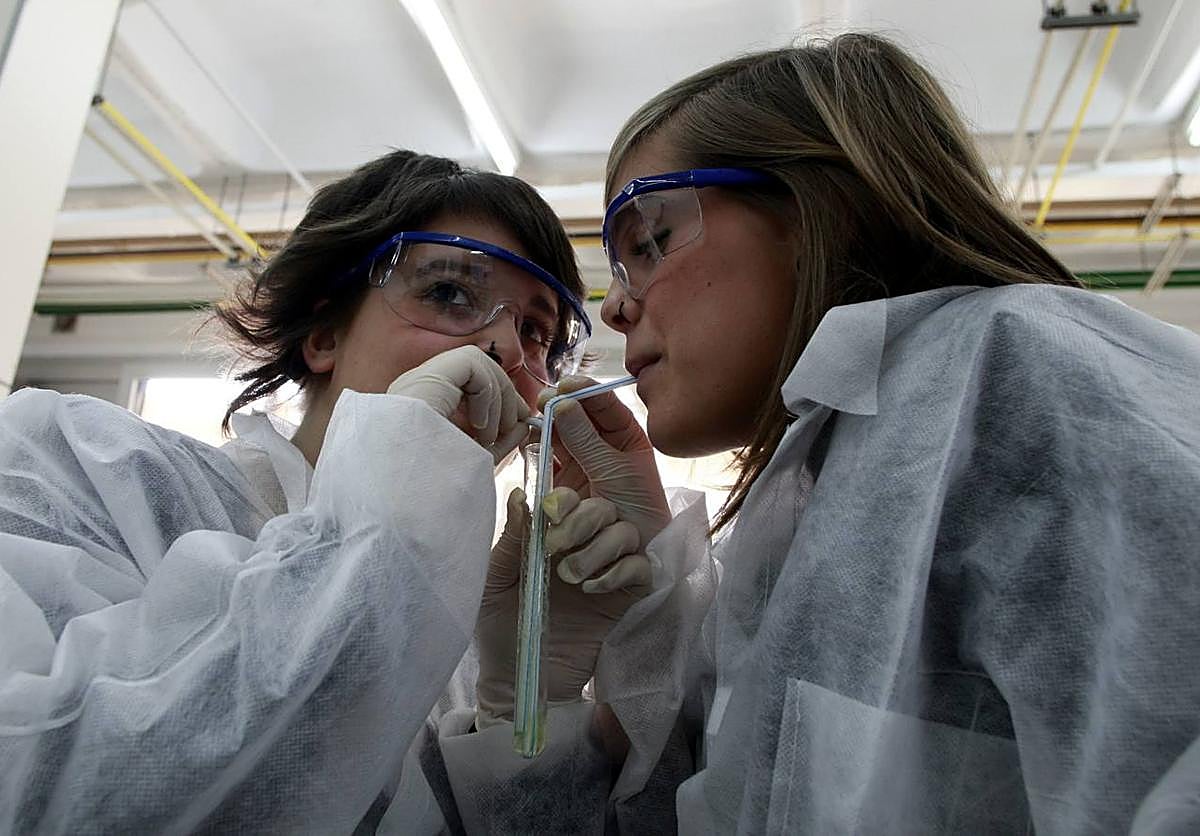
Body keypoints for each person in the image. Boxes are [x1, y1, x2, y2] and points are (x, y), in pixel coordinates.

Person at [552, 32, 1200, 833]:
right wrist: (647, 620)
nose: (616, 306)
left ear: (825, 207)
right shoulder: (799, 516)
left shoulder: (1017, 369)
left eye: (649, 241)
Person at [0, 149, 655, 832]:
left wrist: (523, 705)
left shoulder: (470, 628)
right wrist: (380, 527)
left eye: (536, 331)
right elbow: (44, 794)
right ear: (322, 335)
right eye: (448, 294)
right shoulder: (84, 465)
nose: (507, 350)